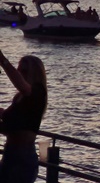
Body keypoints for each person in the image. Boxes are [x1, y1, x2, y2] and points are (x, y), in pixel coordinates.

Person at [0, 50, 47, 183]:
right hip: (10, 153)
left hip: (23, 156)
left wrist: (3, 61)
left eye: (23, 70)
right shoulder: (19, 99)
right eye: (18, 70)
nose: (19, 73)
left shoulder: (38, 92)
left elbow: (24, 88)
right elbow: (11, 125)